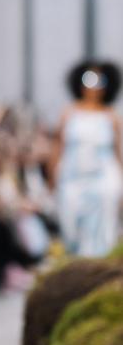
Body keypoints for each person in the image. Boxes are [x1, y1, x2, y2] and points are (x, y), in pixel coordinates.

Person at [51, 61, 123, 257]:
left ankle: (97, 269)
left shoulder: (111, 116)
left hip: (103, 179)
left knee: (102, 229)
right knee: (71, 226)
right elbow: (58, 147)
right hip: (73, 178)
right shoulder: (69, 113)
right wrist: (52, 178)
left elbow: (117, 152)